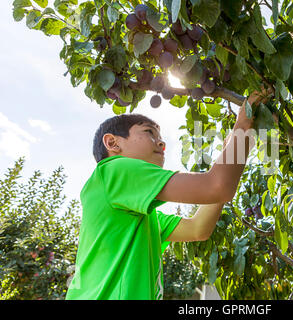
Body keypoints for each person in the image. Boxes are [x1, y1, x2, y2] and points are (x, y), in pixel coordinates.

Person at [65, 88, 272, 300]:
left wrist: (237, 141)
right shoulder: (114, 169)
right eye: (149, 132)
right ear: (112, 143)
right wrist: (243, 125)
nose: (162, 143)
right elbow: (217, 187)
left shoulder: (143, 218)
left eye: (161, 137)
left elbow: (198, 228)